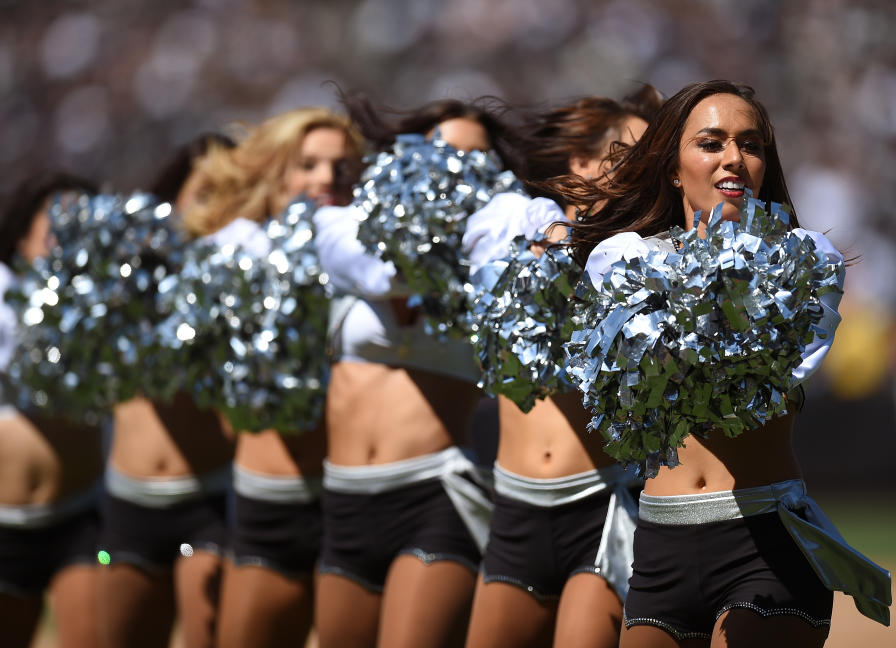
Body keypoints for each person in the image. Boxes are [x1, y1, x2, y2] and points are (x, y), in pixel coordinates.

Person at [552, 80, 892, 647]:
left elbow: (753, 382)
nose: (734, 157)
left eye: (751, 145)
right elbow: (643, 380)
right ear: (671, 167)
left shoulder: (809, 258)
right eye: (711, 143)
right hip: (662, 543)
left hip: (766, 540)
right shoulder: (621, 256)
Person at [312, 96, 523, 648]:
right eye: (440, 152)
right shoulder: (344, 225)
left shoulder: (495, 246)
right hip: (344, 498)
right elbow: (379, 273)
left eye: (474, 158)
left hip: (435, 496)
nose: (456, 168)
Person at [462, 86, 660, 648]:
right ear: (580, 163)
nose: (643, 169)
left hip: (599, 510)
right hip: (516, 510)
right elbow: (484, 243)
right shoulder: (513, 225)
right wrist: (547, 230)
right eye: (628, 154)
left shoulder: (642, 256)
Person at [178, 107, 364, 648]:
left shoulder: (374, 255)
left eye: (341, 167)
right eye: (307, 164)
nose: (326, 180)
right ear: (276, 170)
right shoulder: (233, 251)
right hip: (270, 500)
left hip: (357, 502)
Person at [0, 173, 103, 648]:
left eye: (84, 228)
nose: (68, 240)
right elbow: (13, 337)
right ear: (22, 232)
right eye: (57, 224)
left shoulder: (106, 303)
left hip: (84, 529)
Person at [96, 133, 241, 648]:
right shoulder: (123, 274)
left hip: (208, 507)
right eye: (204, 192)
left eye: (232, 194)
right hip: (127, 509)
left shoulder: (247, 279)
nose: (215, 208)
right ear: (174, 196)